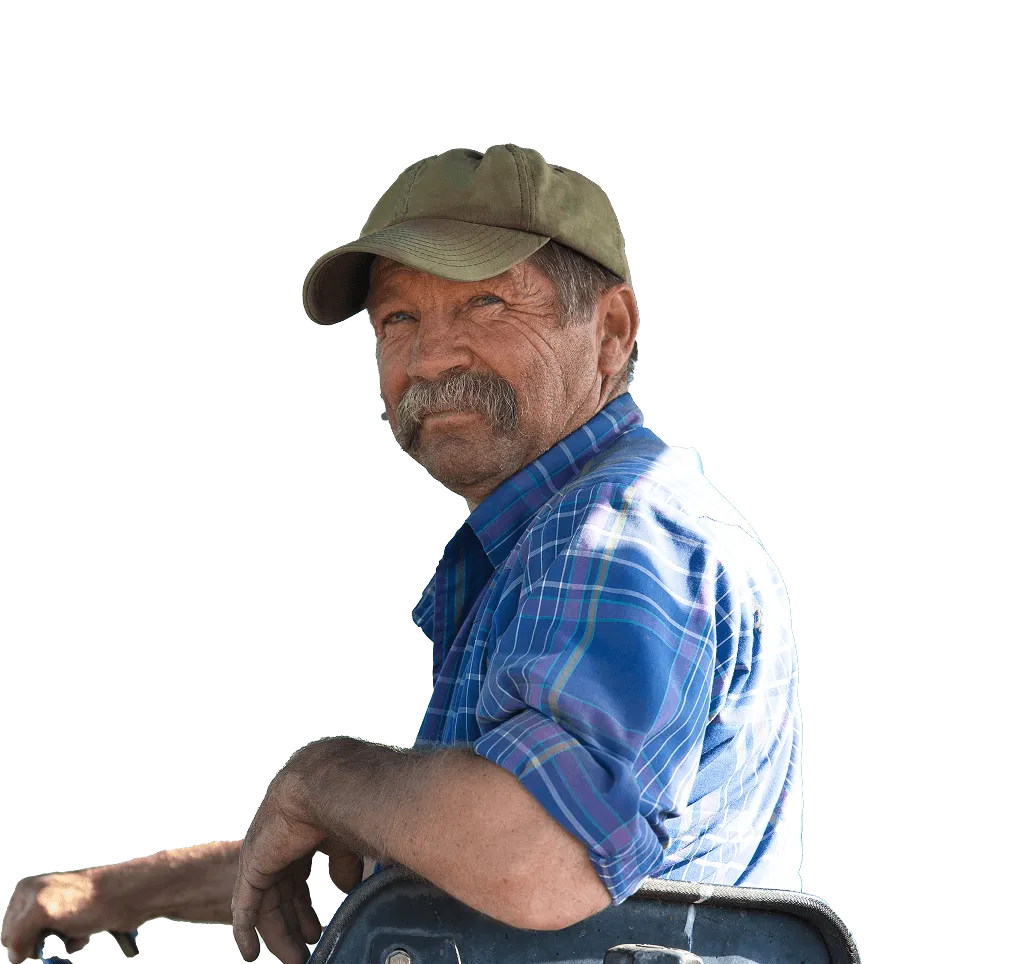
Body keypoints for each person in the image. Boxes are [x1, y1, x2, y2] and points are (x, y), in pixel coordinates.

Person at [2, 146, 802, 964]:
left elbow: (536, 858)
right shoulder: (559, 536)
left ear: (610, 332)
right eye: (398, 319)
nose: (427, 360)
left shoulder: (612, 529)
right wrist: (120, 895)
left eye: (487, 302)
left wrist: (323, 777)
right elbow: (428, 870)